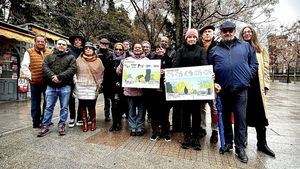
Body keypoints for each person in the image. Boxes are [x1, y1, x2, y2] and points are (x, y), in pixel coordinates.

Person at [208, 21, 258, 163]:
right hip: (223, 90)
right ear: (221, 33)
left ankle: (240, 148)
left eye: (230, 30)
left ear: (234, 31)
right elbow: (210, 70)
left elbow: (254, 64)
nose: (228, 33)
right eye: (225, 31)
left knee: (240, 119)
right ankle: (228, 142)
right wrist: (214, 82)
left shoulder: (245, 46)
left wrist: (247, 75)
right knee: (224, 119)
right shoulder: (214, 50)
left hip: (241, 90)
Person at [240, 26, 275, 157]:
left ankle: (262, 143)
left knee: (260, 116)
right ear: (241, 35)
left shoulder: (260, 49)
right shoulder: (240, 48)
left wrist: (266, 84)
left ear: (253, 33)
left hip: (257, 86)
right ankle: (242, 141)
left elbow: (265, 67)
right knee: (242, 115)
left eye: (249, 31)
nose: (247, 34)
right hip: (243, 86)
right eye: (244, 32)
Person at [172, 28, 207, 150]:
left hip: (197, 88)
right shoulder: (180, 51)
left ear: (196, 39)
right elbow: (175, 66)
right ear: (186, 39)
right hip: (184, 88)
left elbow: (204, 65)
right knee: (185, 114)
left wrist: (208, 75)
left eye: (193, 37)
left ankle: (196, 137)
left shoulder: (201, 50)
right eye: (189, 37)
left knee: (197, 114)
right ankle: (187, 136)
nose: (191, 39)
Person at [37, 39, 76, 137]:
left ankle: (61, 125)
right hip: (51, 86)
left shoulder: (71, 58)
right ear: (56, 45)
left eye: (63, 44)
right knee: (48, 107)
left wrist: (59, 77)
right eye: (59, 44)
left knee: (64, 107)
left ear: (66, 47)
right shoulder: (49, 57)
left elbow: (72, 69)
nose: (61, 46)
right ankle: (45, 125)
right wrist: (53, 77)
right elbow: (45, 67)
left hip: (65, 86)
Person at [116, 43, 148, 136]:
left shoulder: (147, 60)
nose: (137, 49)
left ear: (142, 49)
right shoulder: (127, 60)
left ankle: (140, 127)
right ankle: (133, 127)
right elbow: (118, 72)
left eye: (139, 47)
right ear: (132, 49)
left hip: (143, 91)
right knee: (131, 110)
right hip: (130, 90)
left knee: (142, 111)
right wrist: (122, 64)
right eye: (135, 48)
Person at [21, 34, 52, 128]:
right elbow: (24, 66)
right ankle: (36, 122)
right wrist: (31, 77)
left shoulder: (49, 52)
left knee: (48, 102)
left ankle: (45, 121)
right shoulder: (29, 52)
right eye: (38, 41)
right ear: (35, 42)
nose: (40, 43)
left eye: (42, 41)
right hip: (35, 82)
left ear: (45, 42)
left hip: (47, 82)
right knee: (35, 103)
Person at [74, 42, 105, 132]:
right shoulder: (79, 60)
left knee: (92, 105)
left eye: (90, 48)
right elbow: (74, 71)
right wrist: (76, 81)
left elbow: (101, 72)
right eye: (86, 48)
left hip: (93, 85)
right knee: (82, 105)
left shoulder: (98, 61)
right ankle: (84, 122)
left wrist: (99, 83)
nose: (88, 49)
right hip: (81, 85)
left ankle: (93, 121)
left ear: (93, 50)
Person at [147, 45, 172, 141]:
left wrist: (165, 71)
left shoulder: (169, 60)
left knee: (165, 113)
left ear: (165, 50)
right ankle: (155, 132)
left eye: (161, 49)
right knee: (154, 113)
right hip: (153, 92)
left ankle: (165, 132)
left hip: (165, 91)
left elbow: (174, 71)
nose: (160, 50)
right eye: (157, 49)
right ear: (155, 51)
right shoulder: (151, 61)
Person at [199, 25, 219, 144]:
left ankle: (215, 130)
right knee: (201, 107)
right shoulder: (198, 46)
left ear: (213, 34)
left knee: (214, 107)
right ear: (202, 35)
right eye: (205, 32)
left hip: (213, 81)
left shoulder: (217, 47)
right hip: (200, 82)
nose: (207, 33)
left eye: (209, 31)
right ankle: (202, 128)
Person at [68, 35, 86, 127]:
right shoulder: (69, 51)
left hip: (82, 77)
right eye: (76, 40)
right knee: (71, 98)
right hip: (70, 77)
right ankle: (72, 117)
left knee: (82, 98)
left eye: (80, 40)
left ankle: (80, 117)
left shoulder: (84, 51)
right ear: (73, 41)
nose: (78, 41)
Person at [109, 43, 127, 132]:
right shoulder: (110, 59)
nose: (118, 51)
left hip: (123, 86)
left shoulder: (126, 60)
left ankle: (119, 123)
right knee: (114, 106)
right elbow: (108, 74)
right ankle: (114, 123)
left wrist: (120, 82)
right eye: (116, 49)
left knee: (120, 106)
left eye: (120, 50)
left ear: (123, 51)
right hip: (112, 86)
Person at [98, 38, 113, 122]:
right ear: (100, 44)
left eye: (106, 44)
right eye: (103, 44)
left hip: (108, 79)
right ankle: (90, 116)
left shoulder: (111, 54)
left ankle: (107, 115)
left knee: (107, 99)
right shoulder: (96, 53)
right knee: (93, 98)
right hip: (97, 78)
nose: (104, 45)